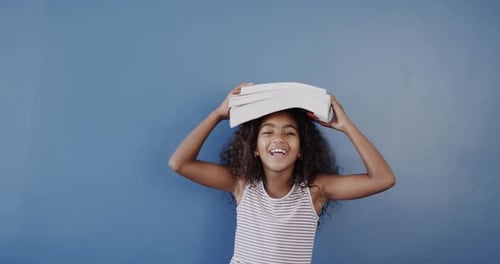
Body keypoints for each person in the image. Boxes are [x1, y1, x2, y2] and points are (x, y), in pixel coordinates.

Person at [168, 82, 396, 264]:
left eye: (290, 133)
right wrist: (217, 114)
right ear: (255, 149)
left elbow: (383, 179)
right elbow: (180, 163)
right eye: (268, 132)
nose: (278, 139)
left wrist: (346, 126)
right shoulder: (242, 183)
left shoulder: (316, 190)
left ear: (301, 150)